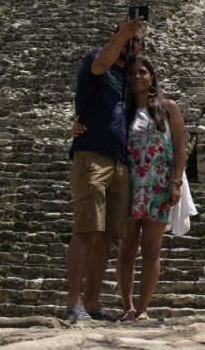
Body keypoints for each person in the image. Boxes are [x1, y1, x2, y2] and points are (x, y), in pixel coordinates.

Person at [72, 56, 186, 322]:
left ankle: (143, 308)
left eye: (143, 72)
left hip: (158, 184)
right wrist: (76, 127)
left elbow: (180, 148)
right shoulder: (122, 110)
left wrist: (176, 183)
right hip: (128, 184)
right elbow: (98, 124)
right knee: (126, 248)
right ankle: (127, 306)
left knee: (151, 249)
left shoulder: (168, 108)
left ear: (152, 77)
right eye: (132, 73)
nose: (137, 76)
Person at [64, 17, 144, 323]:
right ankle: (74, 304)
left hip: (119, 162)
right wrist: (121, 38)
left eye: (137, 41)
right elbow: (101, 63)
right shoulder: (97, 59)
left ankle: (93, 303)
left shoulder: (127, 80)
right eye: (128, 38)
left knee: (107, 236)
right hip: (93, 156)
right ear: (115, 36)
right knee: (86, 230)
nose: (132, 44)